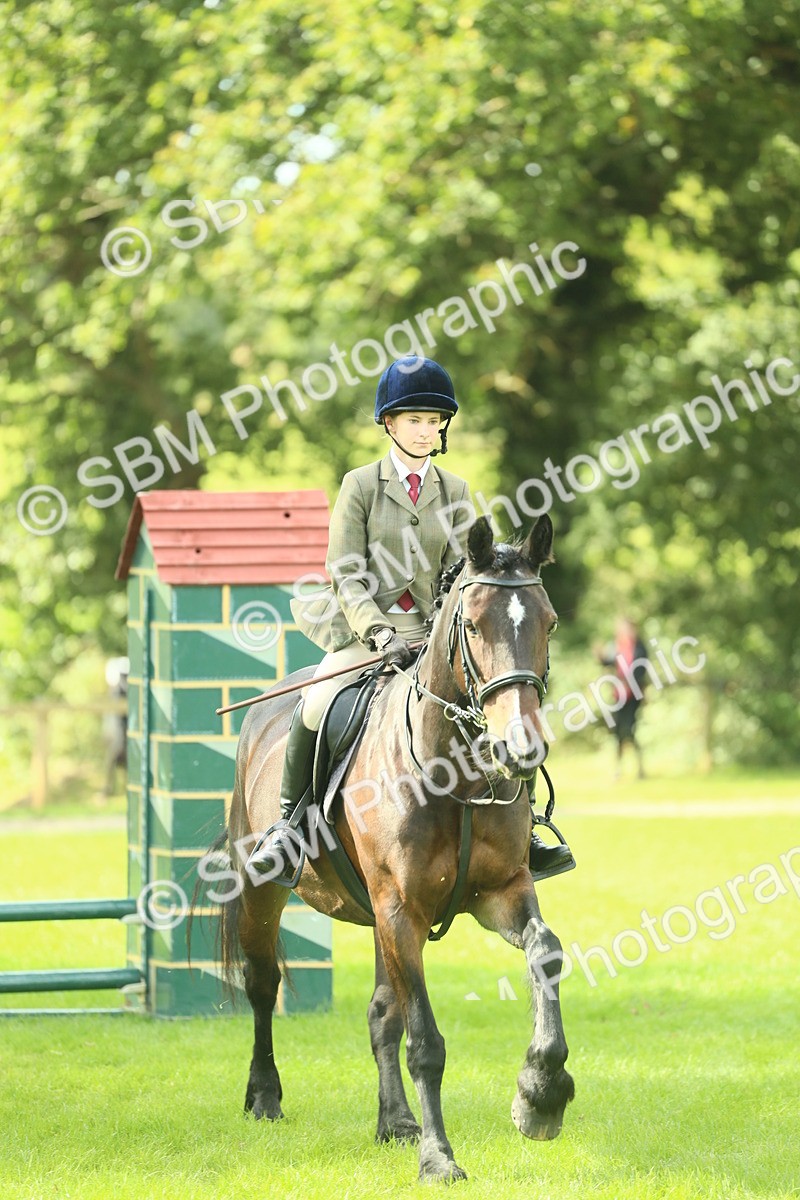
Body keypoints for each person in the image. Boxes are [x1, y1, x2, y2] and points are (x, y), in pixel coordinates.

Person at [247, 355, 573, 884]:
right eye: (415, 421)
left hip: (435, 636)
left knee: (509, 702)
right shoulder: (361, 486)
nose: (426, 432)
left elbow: (463, 572)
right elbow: (346, 574)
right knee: (315, 704)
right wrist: (377, 633)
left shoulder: (456, 491)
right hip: (365, 631)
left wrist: (446, 625)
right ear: (390, 424)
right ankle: (289, 826)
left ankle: (525, 828)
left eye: (434, 422)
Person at [594, 618, 649, 779]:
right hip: (618, 696)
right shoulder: (616, 646)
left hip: (634, 695)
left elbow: (641, 670)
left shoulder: (640, 648)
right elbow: (608, 663)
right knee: (618, 731)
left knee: (629, 729)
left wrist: (628, 683)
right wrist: (599, 656)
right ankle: (619, 768)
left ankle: (640, 768)